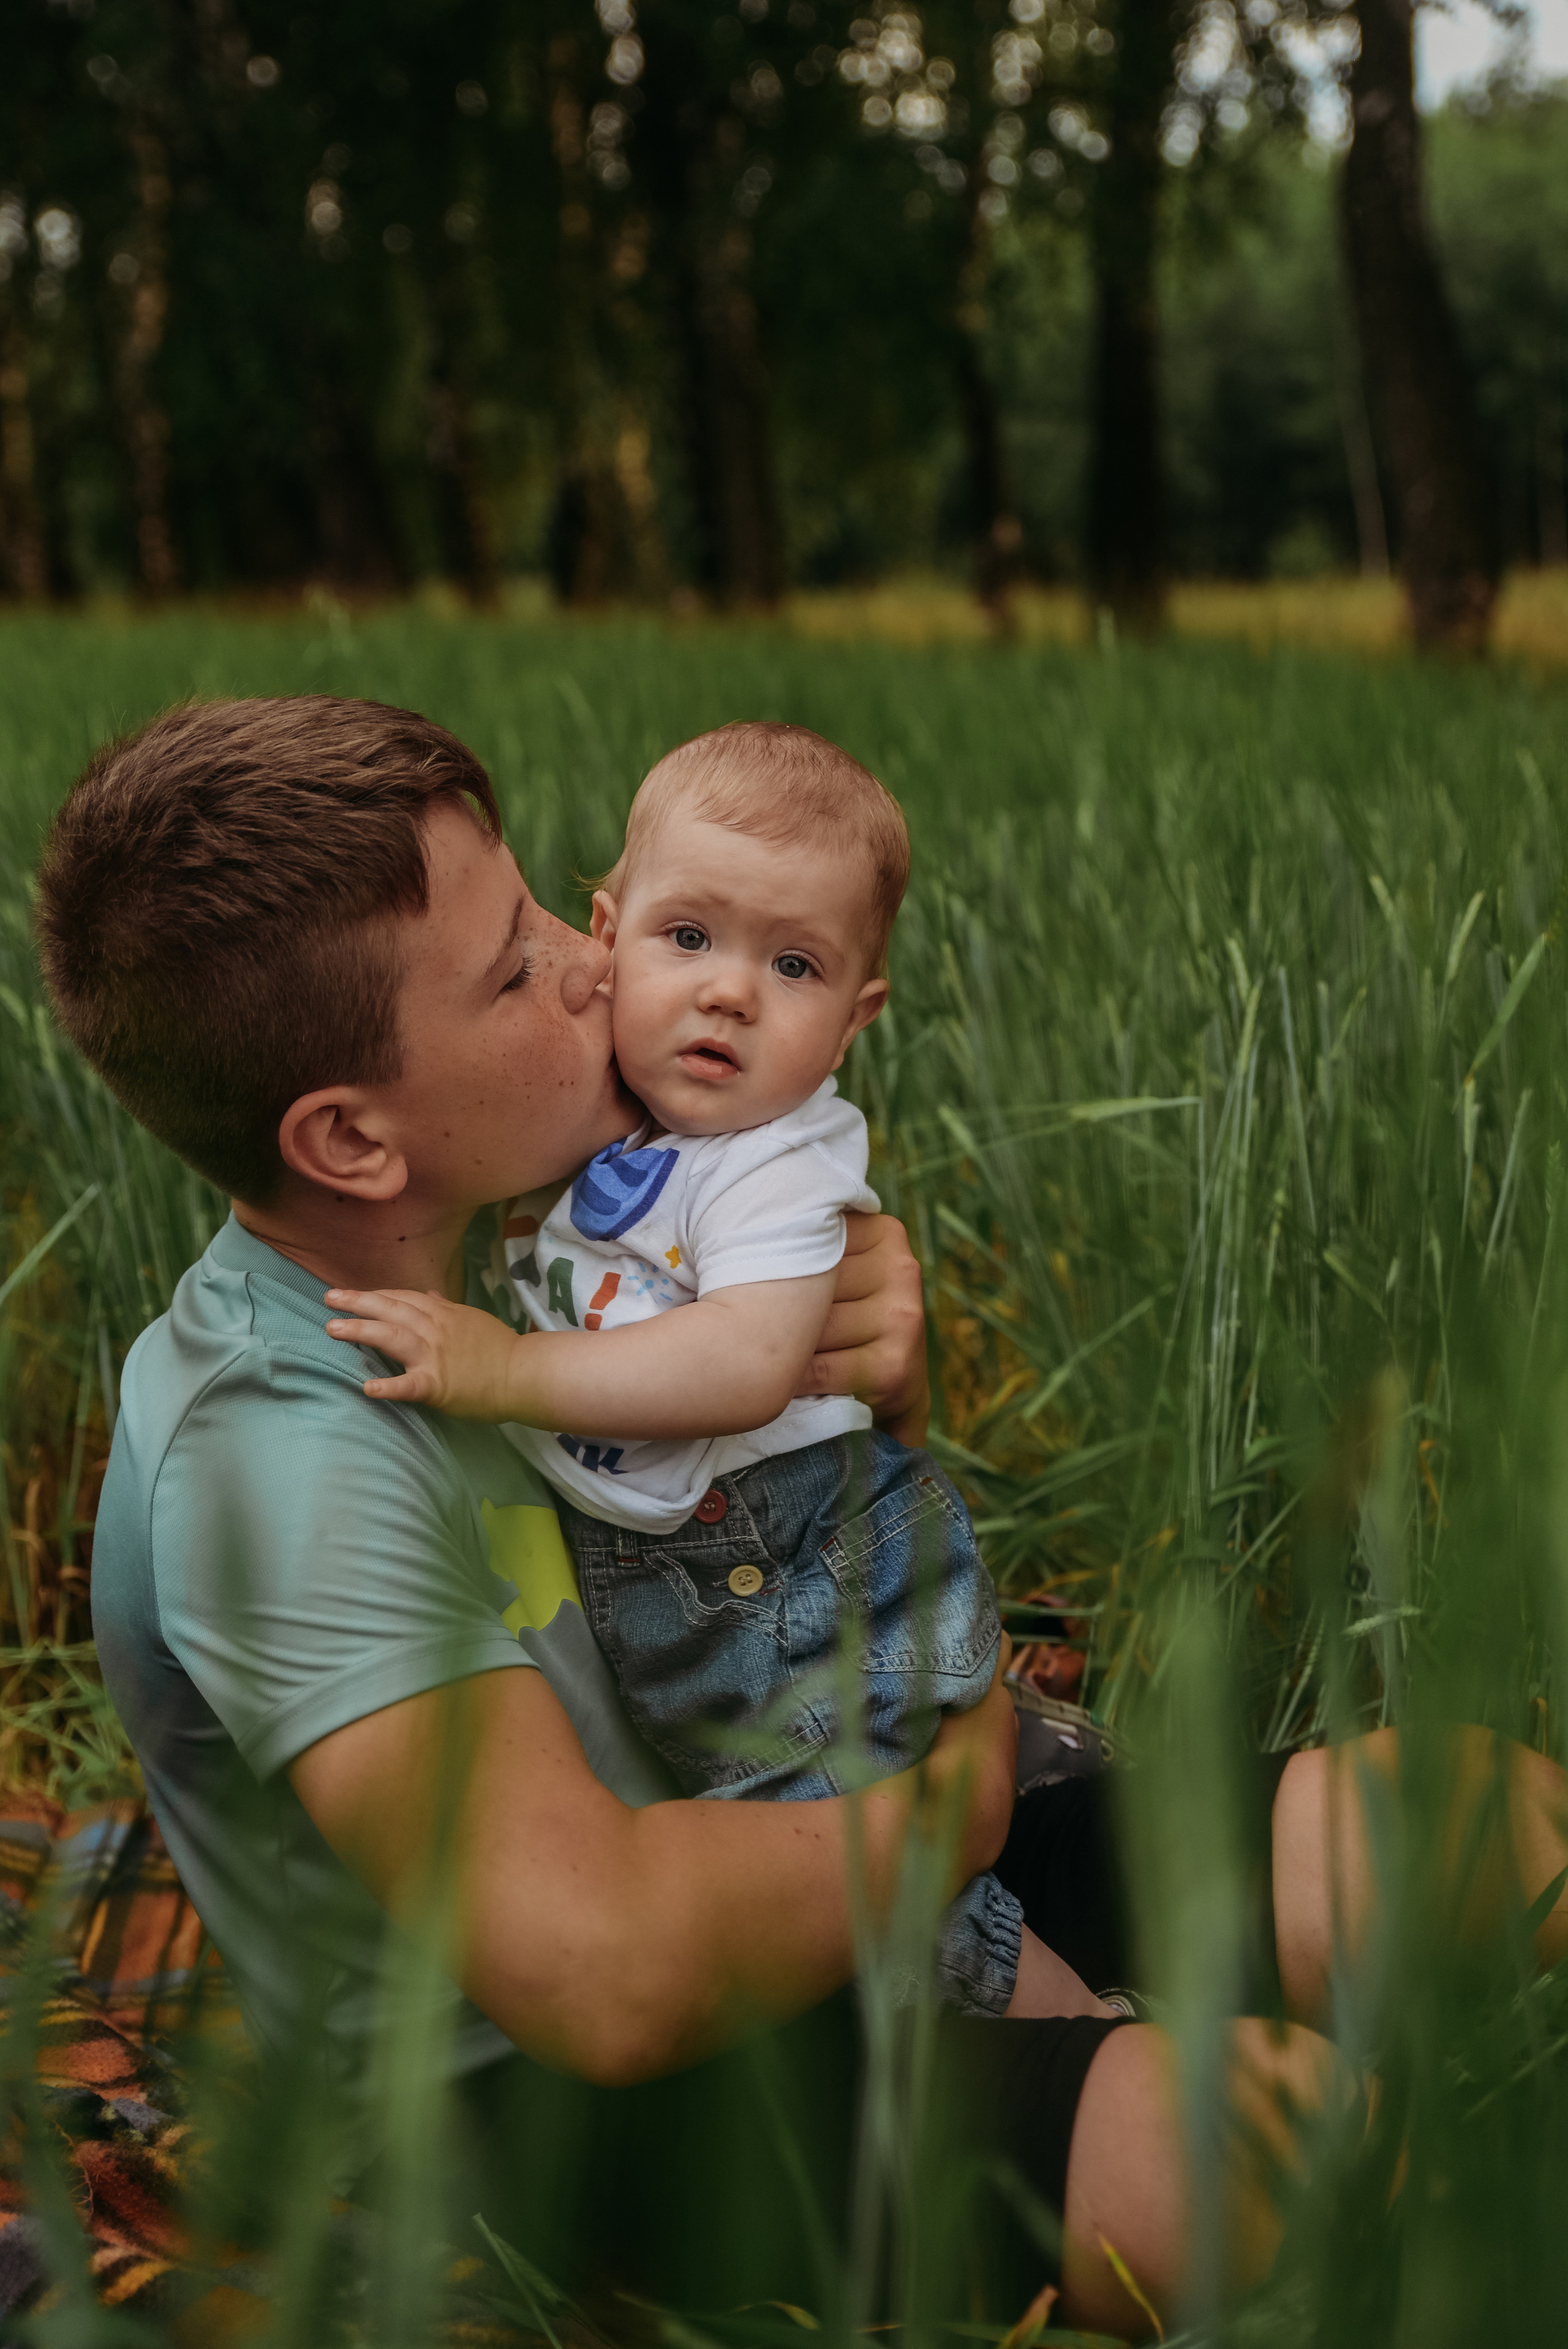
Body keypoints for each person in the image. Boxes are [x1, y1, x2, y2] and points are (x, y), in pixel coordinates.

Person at [36, 694, 1568, 2337]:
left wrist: (861, 1389)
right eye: (508, 969)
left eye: (552, 905)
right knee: (1290, 2152)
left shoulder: (497, 1202)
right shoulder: (278, 1463)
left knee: (1481, 1828)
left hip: (803, 1776)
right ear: (348, 1137)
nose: (587, 955)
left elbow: (766, 1477)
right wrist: (951, 1818)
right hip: (592, 2077)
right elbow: (600, 1973)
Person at [322, 721, 1057, 2024]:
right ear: (611, 935)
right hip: (706, 1594)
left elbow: (744, 1364)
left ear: (852, 1018)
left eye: (792, 965)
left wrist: (506, 1369)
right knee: (850, 1894)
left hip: (786, 1587)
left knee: (911, 1925)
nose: (727, 992)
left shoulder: (776, 1158)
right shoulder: (625, 1119)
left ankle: (1073, 2037)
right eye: (686, 938)